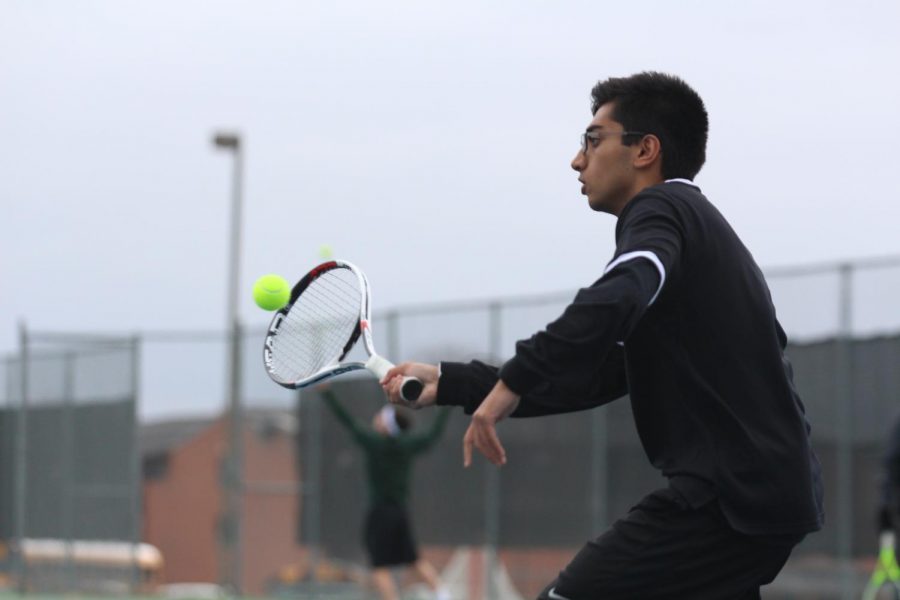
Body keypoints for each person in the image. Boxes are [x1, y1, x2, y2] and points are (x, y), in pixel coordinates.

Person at [382, 71, 824, 599]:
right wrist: (456, 383)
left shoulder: (663, 211)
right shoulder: (696, 235)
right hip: (759, 500)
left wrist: (519, 373)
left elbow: (618, 293)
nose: (577, 159)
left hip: (725, 501)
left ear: (645, 151)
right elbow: (598, 375)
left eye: (593, 140)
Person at [319, 387, 452, 600]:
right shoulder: (407, 446)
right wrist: (446, 407)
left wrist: (328, 395)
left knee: (379, 565)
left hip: (380, 512)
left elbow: (349, 422)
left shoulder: (375, 444)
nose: (377, 418)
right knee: (413, 560)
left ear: (387, 427)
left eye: (382, 418)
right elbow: (432, 436)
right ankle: (443, 594)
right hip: (400, 511)